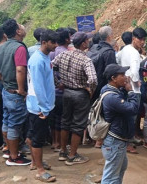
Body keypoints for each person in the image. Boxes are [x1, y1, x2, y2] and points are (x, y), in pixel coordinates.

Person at [0, 19, 32, 166]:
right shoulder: (19, 48)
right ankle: (14, 157)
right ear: (18, 31)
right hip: (15, 93)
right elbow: (20, 69)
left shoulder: (1, 47)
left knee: (7, 121)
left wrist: (0, 78)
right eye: (20, 26)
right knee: (14, 124)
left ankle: (8, 150)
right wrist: (21, 89)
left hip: (6, 90)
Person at [52, 31, 97, 165]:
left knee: (65, 122)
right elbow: (93, 79)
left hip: (66, 92)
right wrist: (90, 90)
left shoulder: (64, 54)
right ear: (83, 44)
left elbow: (51, 67)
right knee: (78, 125)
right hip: (80, 93)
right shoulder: (86, 59)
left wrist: (58, 83)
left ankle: (63, 152)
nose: (88, 42)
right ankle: (72, 155)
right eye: (87, 41)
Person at [26, 29, 58, 182]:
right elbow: (38, 86)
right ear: (44, 42)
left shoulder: (45, 57)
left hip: (42, 105)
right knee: (38, 139)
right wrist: (44, 108)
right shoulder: (38, 60)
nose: (56, 46)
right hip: (39, 107)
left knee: (34, 135)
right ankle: (40, 170)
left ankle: (34, 162)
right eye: (53, 43)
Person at [101, 64, 141, 184]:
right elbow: (133, 109)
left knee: (119, 170)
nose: (125, 77)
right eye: (122, 75)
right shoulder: (112, 97)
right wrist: (131, 91)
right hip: (115, 141)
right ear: (113, 78)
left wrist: (125, 88)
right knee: (111, 177)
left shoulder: (112, 90)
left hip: (118, 140)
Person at [117, 27, 147, 153]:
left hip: (124, 86)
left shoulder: (124, 50)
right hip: (133, 89)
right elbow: (135, 71)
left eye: (144, 40)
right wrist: (136, 81)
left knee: (126, 115)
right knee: (132, 117)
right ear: (134, 38)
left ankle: (127, 139)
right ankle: (128, 143)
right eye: (140, 39)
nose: (142, 42)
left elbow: (117, 60)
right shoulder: (134, 53)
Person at [49, 28, 72, 151]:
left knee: (54, 117)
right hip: (62, 90)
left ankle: (54, 141)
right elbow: (66, 73)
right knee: (63, 118)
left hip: (52, 91)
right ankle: (60, 144)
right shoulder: (65, 53)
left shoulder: (52, 51)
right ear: (67, 39)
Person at [88, 26, 118, 103]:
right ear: (110, 36)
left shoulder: (94, 48)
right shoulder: (109, 51)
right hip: (103, 89)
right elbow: (111, 72)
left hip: (92, 87)